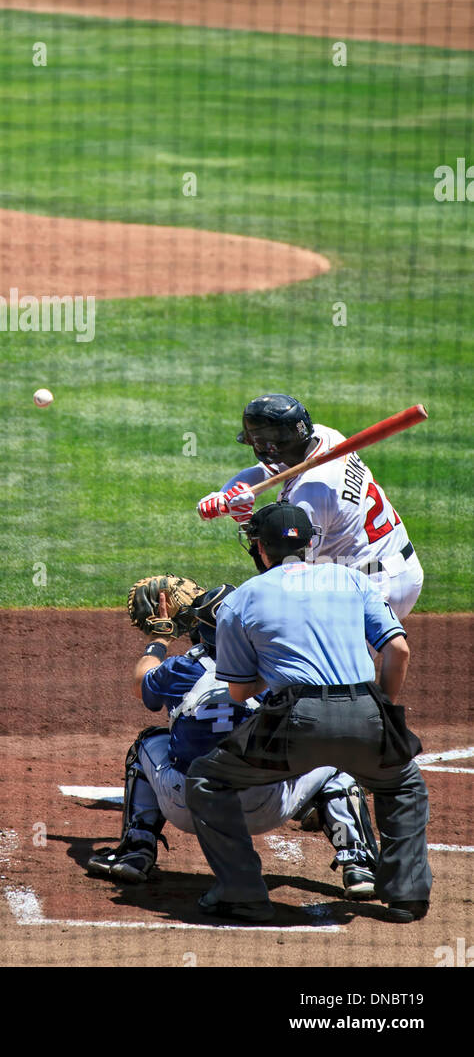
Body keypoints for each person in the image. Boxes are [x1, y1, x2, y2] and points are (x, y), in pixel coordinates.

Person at [185, 502, 431, 924]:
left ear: (260, 549)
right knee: (403, 785)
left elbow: (240, 689)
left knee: (208, 779)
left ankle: (242, 892)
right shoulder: (351, 579)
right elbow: (399, 649)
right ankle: (406, 896)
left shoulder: (241, 599)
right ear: (312, 542)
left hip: (293, 722)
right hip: (366, 713)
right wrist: (382, 709)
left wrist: (273, 669)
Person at [87, 581, 378, 896]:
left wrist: (158, 640)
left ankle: (135, 851)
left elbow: (141, 682)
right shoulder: (282, 667)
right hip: (266, 805)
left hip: (189, 806)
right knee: (334, 756)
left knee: (147, 743)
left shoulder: (181, 669)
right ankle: (359, 864)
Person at [196, 392, 423, 617]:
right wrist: (225, 495)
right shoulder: (326, 437)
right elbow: (265, 470)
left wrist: (246, 519)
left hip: (370, 590)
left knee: (286, 629)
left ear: (268, 447)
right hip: (396, 566)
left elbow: (286, 571)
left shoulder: (309, 496)